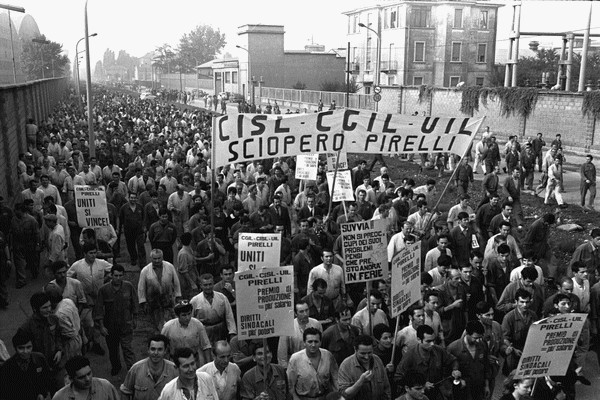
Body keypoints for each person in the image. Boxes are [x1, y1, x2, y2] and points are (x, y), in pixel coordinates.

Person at [395, 325, 460, 400]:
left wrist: (455, 370)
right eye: (428, 341)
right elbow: (398, 377)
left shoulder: (438, 350)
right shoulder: (410, 356)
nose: (432, 344)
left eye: (433, 340)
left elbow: (453, 360)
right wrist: (422, 385)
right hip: (417, 396)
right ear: (419, 340)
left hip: (436, 393)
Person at [95, 263, 138, 375]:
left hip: (126, 324)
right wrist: (101, 326)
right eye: (116, 275)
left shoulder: (128, 287)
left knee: (128, 349)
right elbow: (99, 309)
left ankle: (132, 370)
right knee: (113, 349)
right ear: (111, 275)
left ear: (123, 275)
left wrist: (135, 319)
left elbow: (134, 303)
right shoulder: (104, 290)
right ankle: (116, 367)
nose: (118, 278)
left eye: (120, 275)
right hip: (110, 326)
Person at [120, 334, 178, 400]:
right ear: (148, 350)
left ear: (165, 351)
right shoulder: (136, 369)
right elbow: (125, 392)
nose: (156, 353)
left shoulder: (174, 370)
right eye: (153, 349)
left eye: (160, 349)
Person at [287, 327, 339, 400]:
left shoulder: (328, 356)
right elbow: (290, 385)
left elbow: (335, 379)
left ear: (320, 342)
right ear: (304, 343)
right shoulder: (295, 359)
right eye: (310, 342)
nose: (313, 345)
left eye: (316, 341)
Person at [138, 249, 182, 332]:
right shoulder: (145, 271)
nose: (157, 260)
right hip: (153, 302)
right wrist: (143, 302)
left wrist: (178, 295)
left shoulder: (170, 266)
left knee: (170, 324)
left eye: (159, 258)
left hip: (168, 300)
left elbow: (176, 282)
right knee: (155, 325)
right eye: (155, 259)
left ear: (162, 257)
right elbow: (141, 288)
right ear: (151, 258)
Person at [0, 330, 52, 400]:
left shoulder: (39, 359)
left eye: (28, 347)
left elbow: (47, 379)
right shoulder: (6, 367)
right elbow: (4, 392)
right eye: (21, 348)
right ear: (15, 348)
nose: (25, 351)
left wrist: (42, 393)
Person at [338, 335, 391, 400]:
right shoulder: (346, 365)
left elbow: (386, 387)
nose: (366, 357)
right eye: (363, 353)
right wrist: (361, 381)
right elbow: (344, 395)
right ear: (355, 349)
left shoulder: (377, 360)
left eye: (369, 353)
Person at [447, 320, 490, 400]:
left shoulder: (483, 345)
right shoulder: (454, 348)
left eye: (480, 338)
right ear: (467, 333)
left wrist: (487, 385)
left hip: (479, 388)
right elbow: (447, 371)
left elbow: (486, 366)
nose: (478, 341)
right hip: (464, 391)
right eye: (475, 338)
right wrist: (458, 379)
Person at [161, 300, 211, 366]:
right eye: (184, 315)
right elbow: (161, 345)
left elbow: (206, 345)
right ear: (178, 315)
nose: (187, 318)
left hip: (194, 361)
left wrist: (209, 364)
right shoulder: (168, 327)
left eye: (189, 314)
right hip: (175, 362)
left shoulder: (197, 324)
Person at [190, 273, 237, 343]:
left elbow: (229, 316)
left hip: (220, 331)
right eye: (205, 285)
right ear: (201, 285)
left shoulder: (222, 297)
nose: (208, 287)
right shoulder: (195, 300)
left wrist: (232, 332)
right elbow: (191, 320)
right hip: (204, 331)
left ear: (213, 284)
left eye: (210, 284)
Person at [501, 288, 538, 373]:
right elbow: (504, 338)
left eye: (527, 302)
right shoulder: (509, 318)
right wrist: (514, 350)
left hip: (529, 352)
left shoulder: (533, 315)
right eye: (522, 302)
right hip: (515, 353)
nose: (525, 305)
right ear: (516, 302)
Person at [278, 300, 322, 368]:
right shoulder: (288, 327)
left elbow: (321, 346)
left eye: (307, 310)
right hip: (295, 365)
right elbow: (282, 352)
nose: (305, 314)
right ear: (295, 313)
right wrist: (284, 369)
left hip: (314, 363)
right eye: (301, 311)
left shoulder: (316, 324)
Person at [52, 355, 120, 400]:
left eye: (89, 373)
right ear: (71, 379)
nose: (87, 379)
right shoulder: (60, 397)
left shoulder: (105, 387)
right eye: (81, 377)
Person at [119, 192, 147, 269]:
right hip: (128, 230)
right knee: (131, 246)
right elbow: (121, 219)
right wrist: (121, 228)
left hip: (139, 230)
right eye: (131, 198)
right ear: (129, 198)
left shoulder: (140, 207)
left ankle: (142, 262)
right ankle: (133, 258)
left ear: (136, 198)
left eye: (134, 198)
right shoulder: (124, 208)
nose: (133, 199)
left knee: (141, 246)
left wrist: (144, 227)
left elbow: (144, 217)